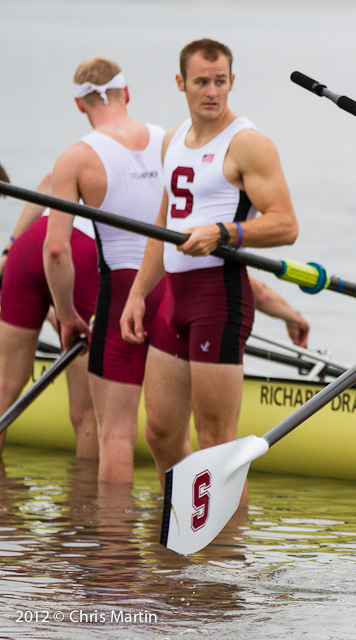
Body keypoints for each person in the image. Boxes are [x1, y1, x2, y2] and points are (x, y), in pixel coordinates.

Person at [120, 39, 298, 488]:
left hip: (219, 297)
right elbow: (163, 224)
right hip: (172, 301)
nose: (212, 92)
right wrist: (138, 294)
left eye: (221, 82)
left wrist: (225, 232)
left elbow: (286, 225)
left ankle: (224, 552)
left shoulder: (248, 144)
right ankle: (179, 534)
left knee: (216, 441)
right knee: (159, 432)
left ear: (232, 82)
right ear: (181, 83)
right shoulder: (172, 140)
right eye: (202, 82)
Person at [43, 57, 166, 485]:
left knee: (116, 434)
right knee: (172, 436)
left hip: (123, 294)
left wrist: (66, 316)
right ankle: (192, 543)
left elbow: (56, 250)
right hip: (175, 287)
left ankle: (112, 550)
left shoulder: (75, 157)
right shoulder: (170, 141)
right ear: (126, 93)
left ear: (80, 106)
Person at [0, 172, 99, 458]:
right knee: (86, 416)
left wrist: (9, 249)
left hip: (28, 245)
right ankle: (85, 503)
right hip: (80, 251)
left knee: (3, 389)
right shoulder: (155, 157)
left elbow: (47, 182)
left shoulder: (80, 159)